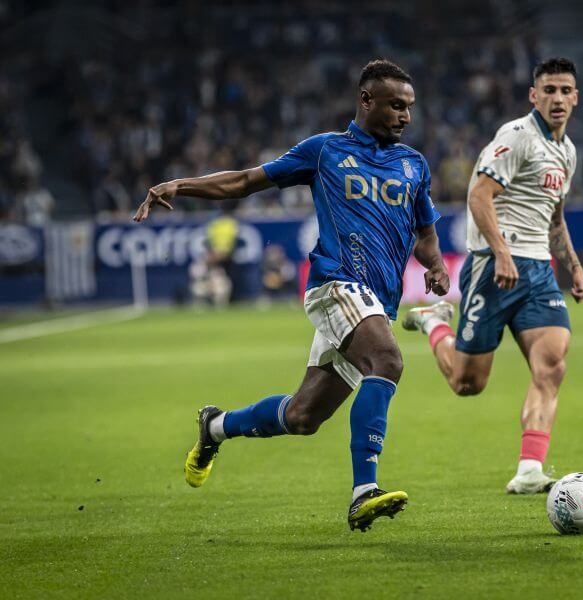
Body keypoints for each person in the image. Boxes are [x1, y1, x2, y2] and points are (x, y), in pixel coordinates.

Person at [133, 59, 450, 531]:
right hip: (336, 285)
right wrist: (182, 185)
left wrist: (437, 264)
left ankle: (215, 426)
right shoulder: (325, 151)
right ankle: (364, 492)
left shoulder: (414, 164)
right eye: (396, 106)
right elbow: (246, 181)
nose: (406, 116)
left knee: (303, 416)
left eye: (410, 107)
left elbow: (425, 233)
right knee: (387, 360)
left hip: (375, 302)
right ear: (366, 100)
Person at [403, 58, 583, 494]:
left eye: (565, 91)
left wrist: (576, 268)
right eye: (549, 90)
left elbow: (554, 218)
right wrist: (502, 252)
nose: (557, 98)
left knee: (552, 366)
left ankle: (529, 470)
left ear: (576, 98)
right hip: (493, 267)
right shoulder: (517, 136)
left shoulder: (567, 152)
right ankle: (434, 322)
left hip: (538, 271)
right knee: (467, 383)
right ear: (534, 95)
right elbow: (479, 195)